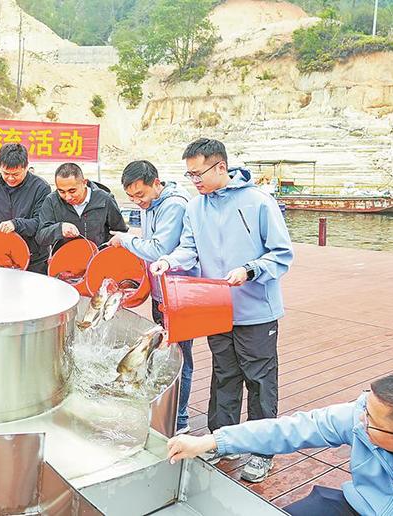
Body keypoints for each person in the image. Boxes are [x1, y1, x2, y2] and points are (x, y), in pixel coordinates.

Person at [150, 138, 294, 483]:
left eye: (197, 174)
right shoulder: (195, 207)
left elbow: (282, 254)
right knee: (224, 377)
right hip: (215, 309)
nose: (194, 181)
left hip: (256, 310)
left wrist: (249, 270)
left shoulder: (259, 201)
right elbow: (189, 249)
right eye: (189, 175)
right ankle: (222, 442)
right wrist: (169, 260)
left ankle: (261, 451)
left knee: (260, 381)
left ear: (220, 167)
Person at [167, 373, 393, 516]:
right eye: (365, 408)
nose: (361, 419)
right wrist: (212, 441)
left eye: (370, 418)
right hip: (359, 504)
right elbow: (291, 429)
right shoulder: (357, 416)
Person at [108, 160, 197, 435]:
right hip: (162, 292)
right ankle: (164, 413)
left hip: (180, 293)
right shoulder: (151, 204)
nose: (138, 201)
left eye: (141, 194)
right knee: (163, 352)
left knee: (180, 358)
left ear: (156, 183)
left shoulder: (174, 205)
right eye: (131, 197)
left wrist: (126, 240)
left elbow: (160, 248)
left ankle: (179, 420)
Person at [0, 143, 51, 274]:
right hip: (1, 253)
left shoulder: (41, 187)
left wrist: (15, 224)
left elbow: (41, 222)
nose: (11, 178)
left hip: (34, 257)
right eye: (6, 173)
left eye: (16, 174)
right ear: (0, 166)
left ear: (26, 167)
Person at [36, 162, 127, 252]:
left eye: (72, 191)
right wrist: (59, 229)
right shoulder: (52, 201)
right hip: (64, 258)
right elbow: (40, 236)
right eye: (62, 191)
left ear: (84, 183)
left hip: (98, 257)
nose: (68, 197)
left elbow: (120, 233)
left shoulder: (105, 199)